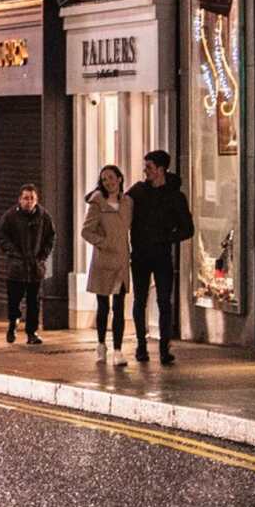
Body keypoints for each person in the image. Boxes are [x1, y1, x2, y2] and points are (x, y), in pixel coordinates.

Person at [127, 149, 193, 366]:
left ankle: (165, 348)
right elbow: (121, 205)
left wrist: (166, 238)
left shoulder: (176, 197)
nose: (145, 171)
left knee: (164, 301)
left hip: (162, 255)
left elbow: (188, 229)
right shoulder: (137, 191)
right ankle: (141, 345)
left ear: (161, 169)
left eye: (149, 167)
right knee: (140, 300)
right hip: (140, 255)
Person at [81, 165, 133, 367]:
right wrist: (104, 243)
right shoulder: (97, 203)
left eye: (111, 178)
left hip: (121, 261)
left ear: (119, 179)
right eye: (104, 179)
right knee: (103, 305)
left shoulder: (128, 202)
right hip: (103, 261)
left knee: (119, 306)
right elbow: (86, 231)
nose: (108, 182)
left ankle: (118, 350)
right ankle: (101, 345)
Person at [0, 183, 56, 345]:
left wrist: (42, 256)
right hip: (16, 268)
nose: (28, 201)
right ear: (20, 199)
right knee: (14, 300)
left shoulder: (44, 216)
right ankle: (13, 323)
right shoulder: (10, 216)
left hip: (35, 267)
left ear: (36, 200)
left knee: (33, 302)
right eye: (25, 198)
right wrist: (13, 253)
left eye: (32, 198)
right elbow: (1, 235)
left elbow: (51, 237)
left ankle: (32, 333)